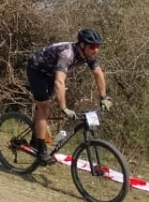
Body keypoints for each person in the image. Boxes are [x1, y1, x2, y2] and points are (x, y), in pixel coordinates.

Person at [25, 29, 111, 164]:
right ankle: (41, 150)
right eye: (93, 47)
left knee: (44, 106)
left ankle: (34, 139)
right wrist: (64, 108)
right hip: (36, 69)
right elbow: (59, 81)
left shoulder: (89, 55)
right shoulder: (67, 54)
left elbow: (98, 74)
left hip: (50, 71)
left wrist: (103, 97)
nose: (96, 50)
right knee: (44, 106)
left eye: (98, 47)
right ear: (82, 45)